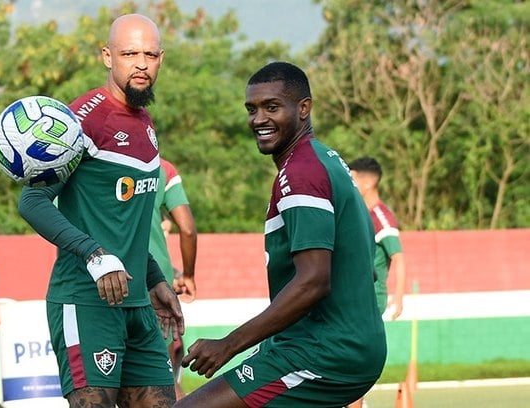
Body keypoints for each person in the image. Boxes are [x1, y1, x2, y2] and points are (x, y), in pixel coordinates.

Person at [174, 61, 387, 408]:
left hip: (324, 353)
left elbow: (315, 280)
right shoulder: (325, 160)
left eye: (272, 107)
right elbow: (364, 265)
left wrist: (227, 345)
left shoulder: (302, 173)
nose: (258, 119)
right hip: (332, 345)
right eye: (252, 109)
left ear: (304, 109)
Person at [17, 13, 184, 408]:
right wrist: (94, 254)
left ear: (161, 58)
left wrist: (156, 279)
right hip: (85, 302)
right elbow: (33, 200)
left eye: (150, 54)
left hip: (138, 304)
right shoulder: (79, 121)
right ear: (108, 56)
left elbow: (122, 225)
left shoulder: (145, 121)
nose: (141, 63)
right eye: (129, 53)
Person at [346, 157, 407, 408]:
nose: (349, 183)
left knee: (352, 361)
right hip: (355, 299)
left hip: (370, 300)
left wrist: (399, 296)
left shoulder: (380, 215)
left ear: (368, 181)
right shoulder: (361, 214)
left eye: (353, 178)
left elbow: (398, 257)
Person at [148, 157, 197, 399]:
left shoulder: (82, 162)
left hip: (102, 285)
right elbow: (187, 229)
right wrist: (187, 275)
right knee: (164, 383)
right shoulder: (162, 168)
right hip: (159, 289)